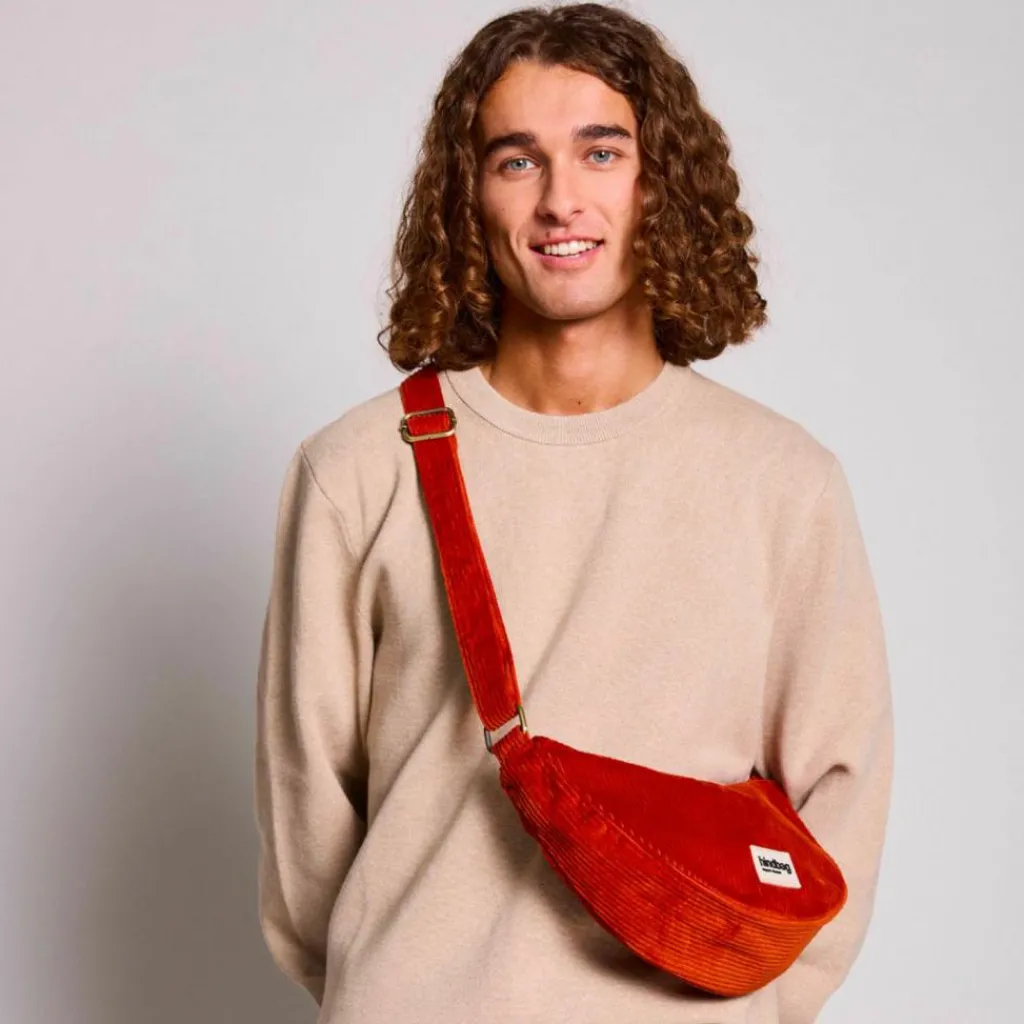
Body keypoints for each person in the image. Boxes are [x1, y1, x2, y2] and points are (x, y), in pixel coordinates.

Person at [253, 4, 895, 1022]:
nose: (561, 200)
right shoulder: (356, 471)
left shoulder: (782, 480)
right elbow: (305, 819)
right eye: (517, 161)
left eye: (602, 152)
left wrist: (752, 1010)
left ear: (659, 183)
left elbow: (838, 807)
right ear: (468, 197)